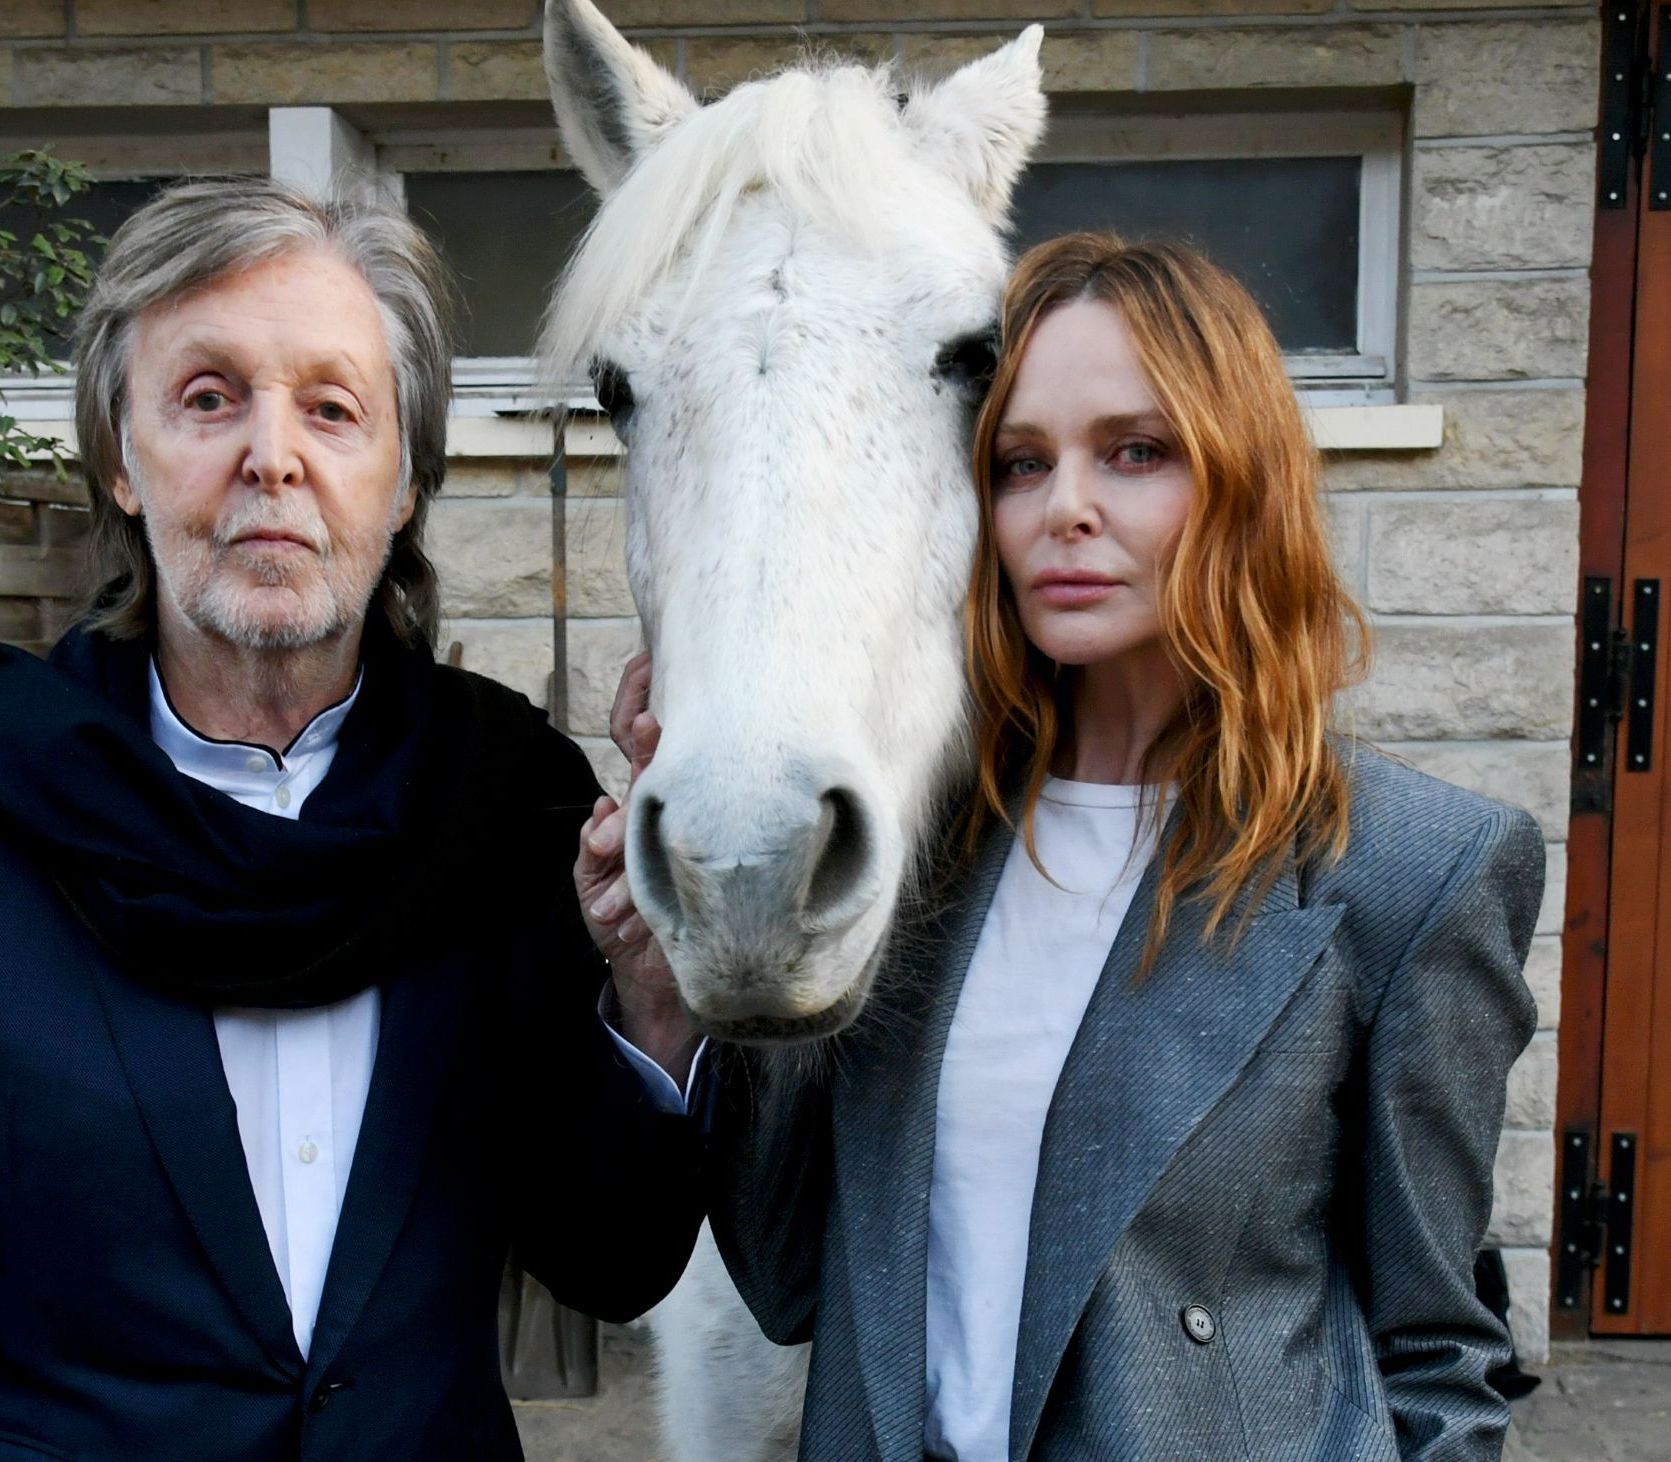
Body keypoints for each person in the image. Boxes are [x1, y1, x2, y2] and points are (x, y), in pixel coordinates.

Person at [0, 177, 702, 1461]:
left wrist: (654, 1002)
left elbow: (612, 1256)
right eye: (208, 398)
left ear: (403, 482)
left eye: (332, 407)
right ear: (121, 460)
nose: (274, 454)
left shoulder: (498, 800)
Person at [585, 233, 1542, 1460]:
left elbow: (1438, 1356)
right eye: (1022, 462)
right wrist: (713, 929)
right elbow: (780, 1277)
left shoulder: (1412, 871)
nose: (1065, 507)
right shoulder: (921, 857)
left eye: (1134, 452)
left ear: (1238, 478)